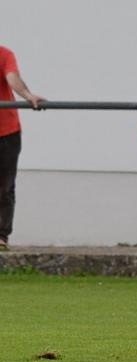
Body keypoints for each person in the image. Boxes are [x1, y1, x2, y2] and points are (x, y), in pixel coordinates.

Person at [0, 45, 45, 251]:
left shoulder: (4, 54)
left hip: (7, 131)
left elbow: (12, 78)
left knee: (5, 186)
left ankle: (1, 236)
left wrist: (28, 95)